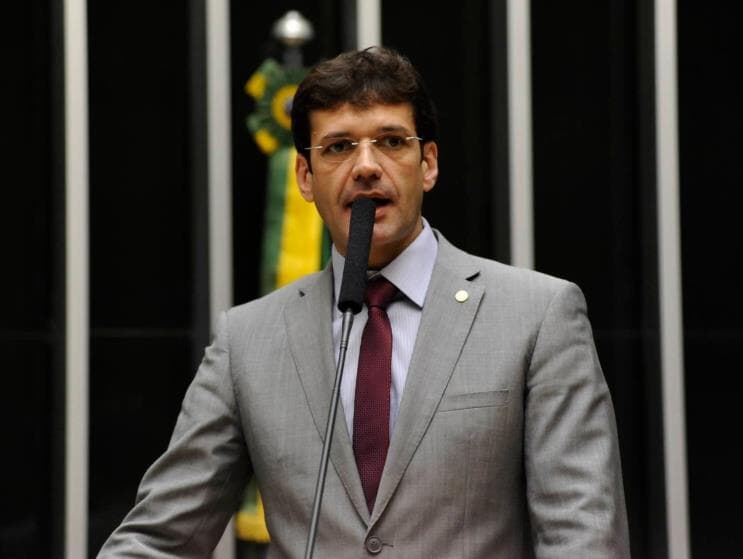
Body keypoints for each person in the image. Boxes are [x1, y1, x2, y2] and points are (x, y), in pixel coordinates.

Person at [99, 47, 629, 558]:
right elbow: (158, 539)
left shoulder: (537, 315)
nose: (367, 166)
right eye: (338, 147)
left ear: (428, 164)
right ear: (305, 177)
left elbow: (581, 536)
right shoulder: (247, 340)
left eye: (392, 141)